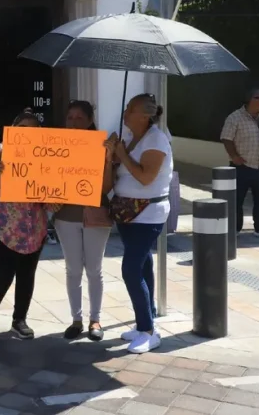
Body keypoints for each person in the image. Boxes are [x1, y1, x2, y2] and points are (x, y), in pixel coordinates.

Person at [0, 108, 50, 352]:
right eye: (23, 129)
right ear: (13, 130)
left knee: (27, 275)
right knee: (2, 277)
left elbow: (49, 186)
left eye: (34, 131)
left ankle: (19, 320)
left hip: (34, 226)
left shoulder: (44, 155)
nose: (29, 135)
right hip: (7, 228)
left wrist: (53, 199)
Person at [105, 93, 173, 354]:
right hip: (127, 211)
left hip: (148, 212)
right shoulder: (132, 137)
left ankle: (148, 331)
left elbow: (146, 177)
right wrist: (113, 155)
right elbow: (121, 171)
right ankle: (146, 318)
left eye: (130, 109)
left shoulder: (156, 139)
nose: (125, 113)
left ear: (144, 115)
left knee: (131, 269)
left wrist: (122, 153)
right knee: (143, 263)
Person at [53, 101, 113, 341]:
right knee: (73, 269)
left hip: (95, 215)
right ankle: (76, 320)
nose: (74, 122)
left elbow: (107, 187)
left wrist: (108, 159)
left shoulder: (101, 147)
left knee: (94, 269)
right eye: (70, 118)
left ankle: (95, 319)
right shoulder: (56, 147)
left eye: (79, 118)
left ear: (89, 121)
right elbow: (48, 180)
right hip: (66, 217)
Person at [220, 88, 259, 240]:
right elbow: (226, 138)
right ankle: (234, 229)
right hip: (242, 166)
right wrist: (234, 156)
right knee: (236, 200)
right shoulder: (235, 118)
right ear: (251, 99)